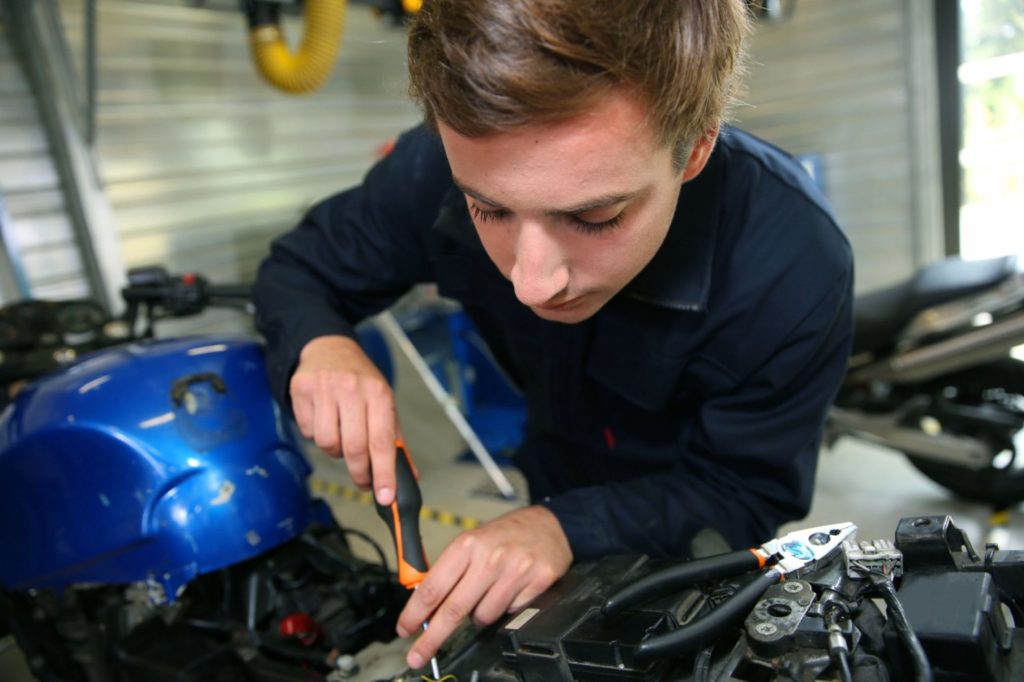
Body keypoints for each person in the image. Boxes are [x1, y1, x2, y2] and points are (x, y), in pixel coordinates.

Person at [252, 0, 853, 671]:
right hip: (550, 472)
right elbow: (298, 270)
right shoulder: (434, 166)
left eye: (595, 216)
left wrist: (566, 528)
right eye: (489, 209)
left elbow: (744, 491)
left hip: (685, 551)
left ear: (695, 148)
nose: (531, 283)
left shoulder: (790, 261)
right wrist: (322, 345)